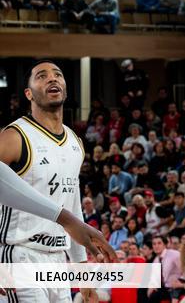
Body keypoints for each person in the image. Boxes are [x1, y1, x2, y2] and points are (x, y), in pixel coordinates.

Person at [0, 61, 117, 303]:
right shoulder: (14, 136)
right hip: (20, 254)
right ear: (29, 93)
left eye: (58, 75)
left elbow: (73, 208)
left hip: (57, 261)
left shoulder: (75, 142)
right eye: (42, 76)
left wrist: (83, 276)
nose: (52, 79)